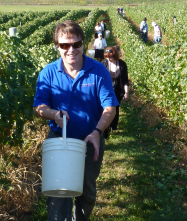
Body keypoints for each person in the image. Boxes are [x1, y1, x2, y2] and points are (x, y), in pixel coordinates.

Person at [33, 20, 119, 221]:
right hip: (58, 141)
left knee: (86, 192)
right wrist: (54, 114)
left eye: (76, 44)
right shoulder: (48, 73)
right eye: (64, 45)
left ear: (83, 44)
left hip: (90, 141)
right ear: (57, 47)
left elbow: (110, 108)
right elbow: (39, 107)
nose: (71, 49)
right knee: (58, 192)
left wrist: (97, 132)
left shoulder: (98, 71)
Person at [102, 46, 129, 131]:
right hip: (106, 90)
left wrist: (126, 93)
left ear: (115, 56)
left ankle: (113, 126)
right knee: (106, 107)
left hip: (118, 90)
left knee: (115, 108)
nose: (109, 59)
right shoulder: (104, 63)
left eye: (111, 57)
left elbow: (125, 80)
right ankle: (106, 126)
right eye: (107, 57)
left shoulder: (122, 65)